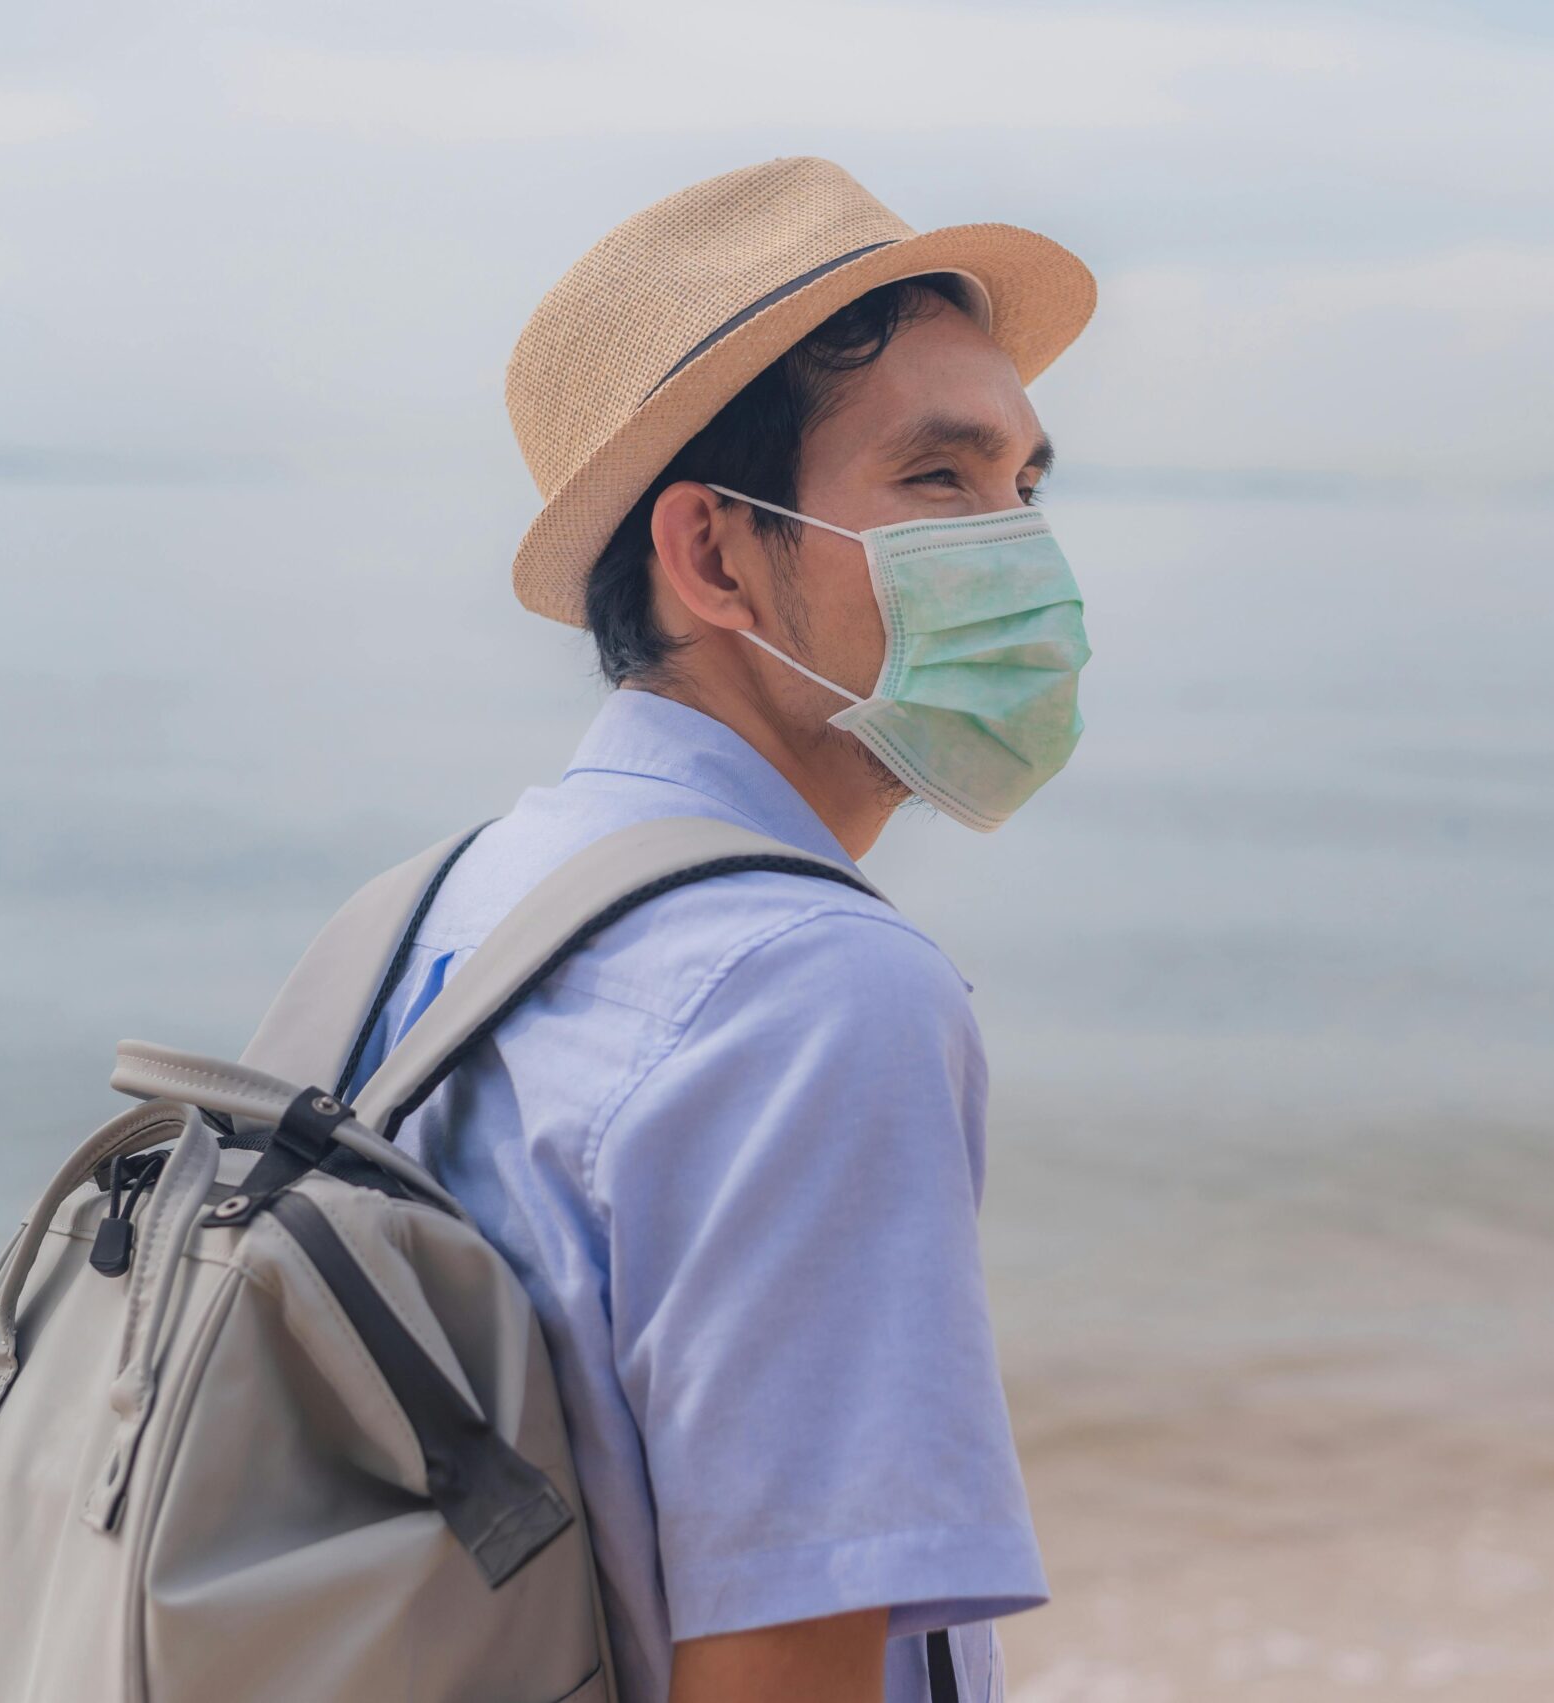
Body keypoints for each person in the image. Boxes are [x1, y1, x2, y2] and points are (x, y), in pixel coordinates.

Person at [345, 156, 1097, 1703]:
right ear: (712, 556)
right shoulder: (813, 990)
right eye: (939, 482)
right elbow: (782, 1667)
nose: (1020, 554)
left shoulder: (451, 906)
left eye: (1026, 484)